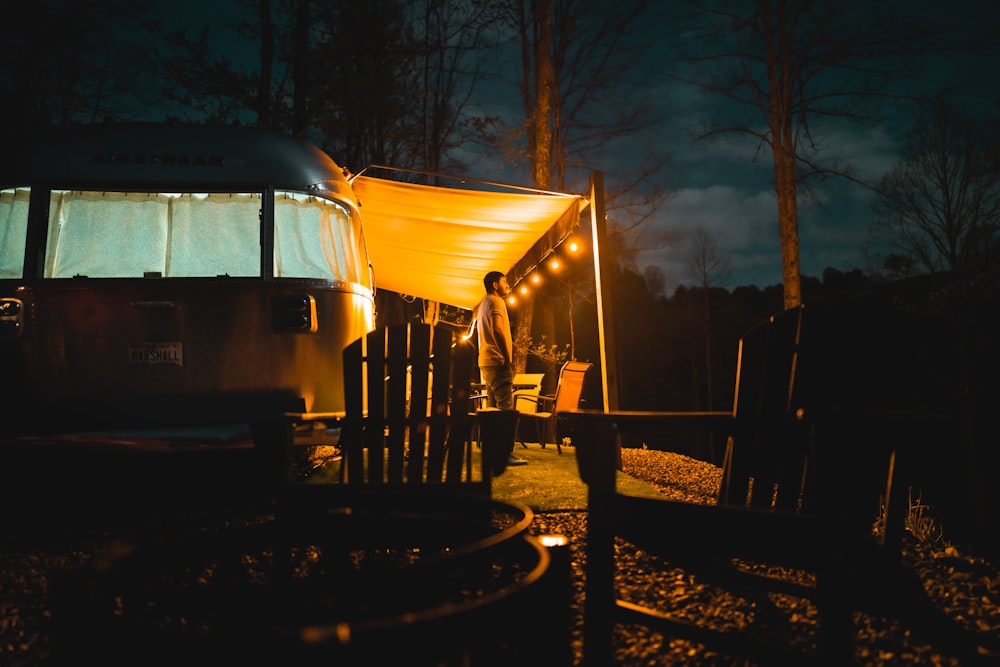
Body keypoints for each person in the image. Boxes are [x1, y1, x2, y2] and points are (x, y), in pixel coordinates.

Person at [476, 271, 527, 466]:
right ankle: (505, 454)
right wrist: (506, 356)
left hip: (485, 360)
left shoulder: (483, 303)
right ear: (495, 284)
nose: (507, 285)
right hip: (497, 361)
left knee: (492, 409)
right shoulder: (496, 302)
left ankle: (491, 453)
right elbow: (497, 328)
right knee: (505, 410)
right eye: (504, 281)